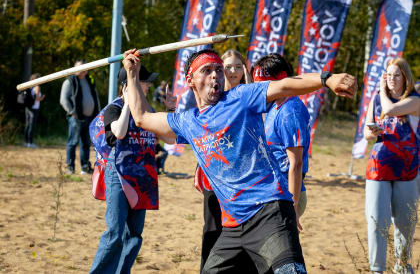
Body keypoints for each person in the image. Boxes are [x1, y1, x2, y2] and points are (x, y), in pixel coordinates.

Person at [122, 48, 357, 273]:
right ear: (190, 80)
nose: (215, 75)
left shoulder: (241, 97)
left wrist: (327, 78)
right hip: (233, 228)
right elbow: (142, 117)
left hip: (270, 213)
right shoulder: (187, 121)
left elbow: (285, 85)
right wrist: (132, 75)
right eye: (206, 70)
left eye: (218, 70)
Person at [90, 65, 173, 273]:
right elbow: (118, 133)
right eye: (144, 82)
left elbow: (169, 138)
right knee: (115, 232)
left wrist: (171, 111)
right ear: (129, 85)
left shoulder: (148, 112)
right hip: (118, 174)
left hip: (143, 176)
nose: (148, 86)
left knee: (135, 235)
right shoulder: (114, 108)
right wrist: (128, 104)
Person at [195, 49, 254, 272]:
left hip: (243, 176)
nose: (232, 71)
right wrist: (198, 168)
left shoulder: (249, 94)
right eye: (227, 66)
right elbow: (203, 134)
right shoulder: (213, 94)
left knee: (243, 229)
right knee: (212, 227)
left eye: (238, 66)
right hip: (215, 174)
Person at [363, 57, 420, 274]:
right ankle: (377, 269)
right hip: (378, 167)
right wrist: (371, 131)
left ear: (406, 78)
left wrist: (381, 90)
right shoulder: (376, 99)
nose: (391, 79)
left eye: (397, 75)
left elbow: (391, 110)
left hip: (408, 169)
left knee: (405, 224)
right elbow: (366, 133)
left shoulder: (414, 100)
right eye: (388, 76)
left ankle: (402, 266)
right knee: (377, 221)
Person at [252, 53, 310, 232]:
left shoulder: (290, 111)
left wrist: (292, 206)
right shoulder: (275, 106)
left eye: (262, 85)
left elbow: (296, 163)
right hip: (274, 193)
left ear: (281, 80)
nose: (260, 91)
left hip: (287, 196)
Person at [60, 59, 100, 175]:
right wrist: (72, 112)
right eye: (79, 67)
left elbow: (95, 98)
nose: (82, 70)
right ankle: (70, 167)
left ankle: (85, 167)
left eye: (84, 67)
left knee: (86, 144)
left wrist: (97, 112)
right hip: (76, 118)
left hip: (89, 118)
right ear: (74, 68)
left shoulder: (90, 80)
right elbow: (63, 99)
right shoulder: (70, 81)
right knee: (72, 142)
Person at [24, 73, 46, 148]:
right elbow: (37, 98)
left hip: (28, 107)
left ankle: (26, 142)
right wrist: (42, 97)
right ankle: (30, 143)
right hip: (34, 108)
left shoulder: (30, 86)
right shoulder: (37, 87)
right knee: (31, 125)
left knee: (27, 125)